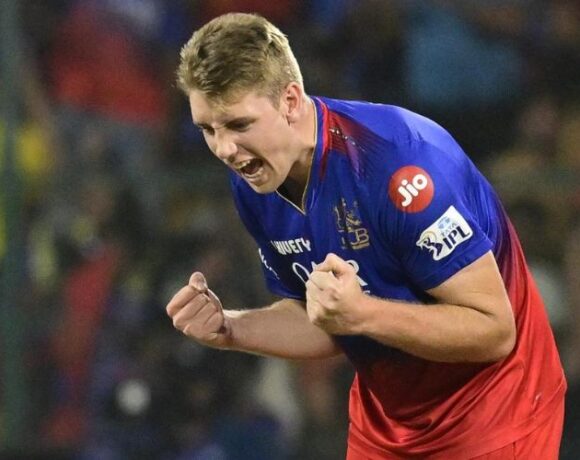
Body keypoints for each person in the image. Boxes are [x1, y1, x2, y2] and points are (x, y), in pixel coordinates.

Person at [166, 13, 566, 459]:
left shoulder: (401, 164)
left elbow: (493, 330)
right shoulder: (254, 179)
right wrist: (229, 328)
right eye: (208, 129)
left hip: (497, 416)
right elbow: (326, 322)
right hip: (388, 426)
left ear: (290, 101)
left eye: (239, 124)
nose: (224, 149)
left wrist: (362, 314)